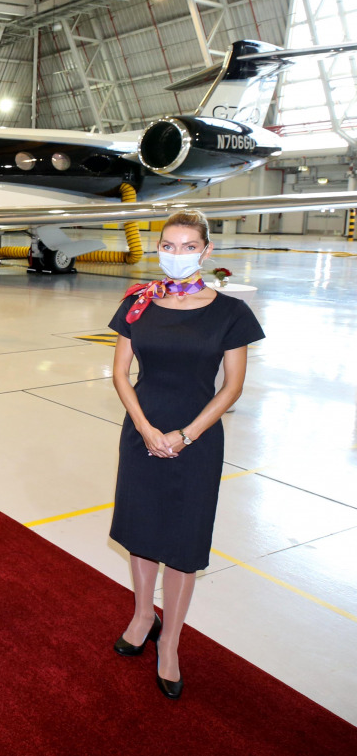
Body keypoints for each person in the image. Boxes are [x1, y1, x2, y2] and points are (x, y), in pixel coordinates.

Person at [107, 210, 264, 700]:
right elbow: (120, 374)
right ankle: (142, 616)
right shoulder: (138, 303)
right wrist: (145, 427)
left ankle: (170, 641)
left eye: (188, 246)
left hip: (196, 439)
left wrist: (186, 435)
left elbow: (232, 387)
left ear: (206, 251)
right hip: (142, 431)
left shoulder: (230, 313)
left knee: (183, 539)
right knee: (140, 531)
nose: (177, 255)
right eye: (168, 246)